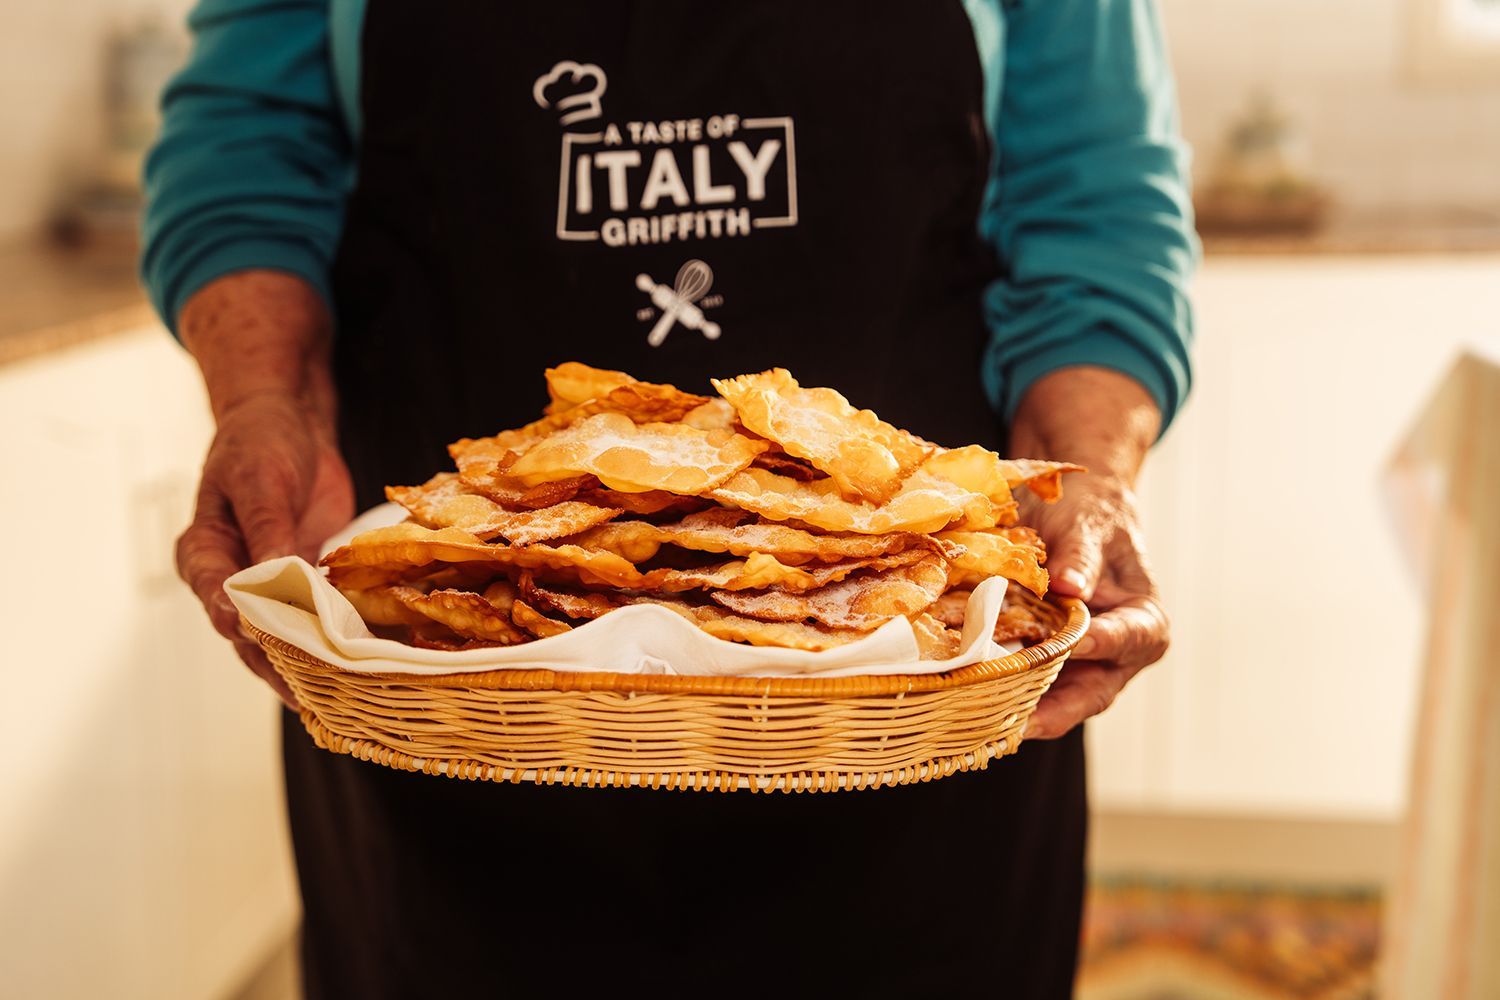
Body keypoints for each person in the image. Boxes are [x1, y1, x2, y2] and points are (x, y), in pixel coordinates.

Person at [143, 1, 1194, 996]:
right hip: (453, 690)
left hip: (915, 717)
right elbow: (252, 148)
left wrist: (1084, 471)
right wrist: (266, 399)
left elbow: (1093, 198)